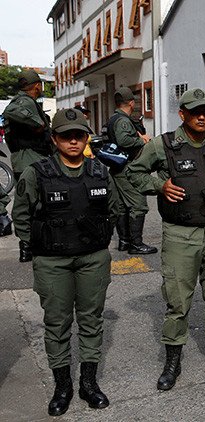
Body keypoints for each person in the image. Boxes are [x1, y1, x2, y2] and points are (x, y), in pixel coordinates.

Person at [127, 88, 205, 390]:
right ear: (182, 114)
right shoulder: (163, 145)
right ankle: (173, 361)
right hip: (180, 233)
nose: (201, 117)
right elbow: (133, 173)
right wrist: (159, 186)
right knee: (178, 301)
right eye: (195, 112)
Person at [12, 108, 118, 416]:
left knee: (91, 320)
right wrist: (39, 244)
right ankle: (62, 387)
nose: (73, 141)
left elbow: (113, 209)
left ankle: (88, 383)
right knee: (57, 323)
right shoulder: (37, 173)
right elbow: (21, 215)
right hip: (52, 261)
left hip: (92, 258)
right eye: (66, 136)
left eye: (79, 135)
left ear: (86, 139)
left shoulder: (100, 172)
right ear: (54, 139)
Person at [2, 69, 52, 260]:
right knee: (30, 203)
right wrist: (38, 123)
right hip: (30, 158)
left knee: (30, 202)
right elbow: (11, 111)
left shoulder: (27, 101)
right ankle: (27, 245)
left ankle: (30, 243)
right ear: (37, 86)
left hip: (30, 158)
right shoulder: (24, 101)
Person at [107, 87, 158, 255]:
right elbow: (124, 140)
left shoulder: (114, 118)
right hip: (127, 168)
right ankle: (136, 244)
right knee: (138, 205)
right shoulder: (122, 120)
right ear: (131, 103)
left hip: (118, 167)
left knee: (122, 206)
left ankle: (125, 241)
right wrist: (142, 140)